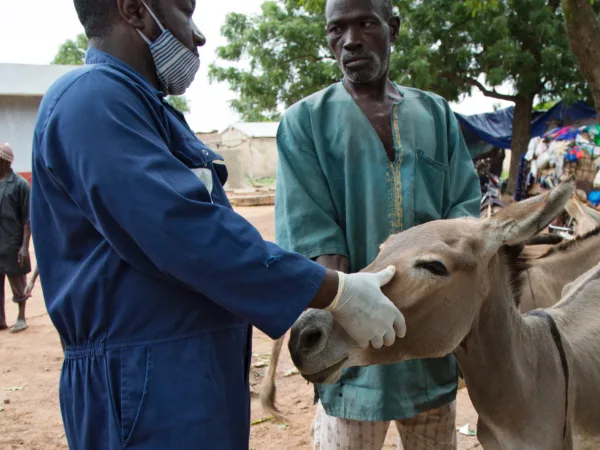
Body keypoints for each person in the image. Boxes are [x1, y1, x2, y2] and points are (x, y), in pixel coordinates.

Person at [30, 1, 407, 449]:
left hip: (184, 371)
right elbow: (186, 232)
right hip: (145, 380)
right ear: (134, 10)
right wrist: (336, 291)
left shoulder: (142, 107)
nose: (199, 35)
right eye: (185, 11)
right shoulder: (92, 100)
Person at [274, 0, 481, 448]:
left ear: (393, 28)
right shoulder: (304, 123)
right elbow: (312, 234)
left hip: (429, 352)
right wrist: (348, 318)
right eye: (336, 29)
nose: (350, 41)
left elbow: (465, 225)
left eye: (366, 23)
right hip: (351, 358)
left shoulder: (437, 115)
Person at [0, 143, 32, 334]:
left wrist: (24, 246)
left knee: (17, 280)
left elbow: (27, 219)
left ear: (3, 161)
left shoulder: (20, 185)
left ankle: (21, 317)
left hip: (13, 242)